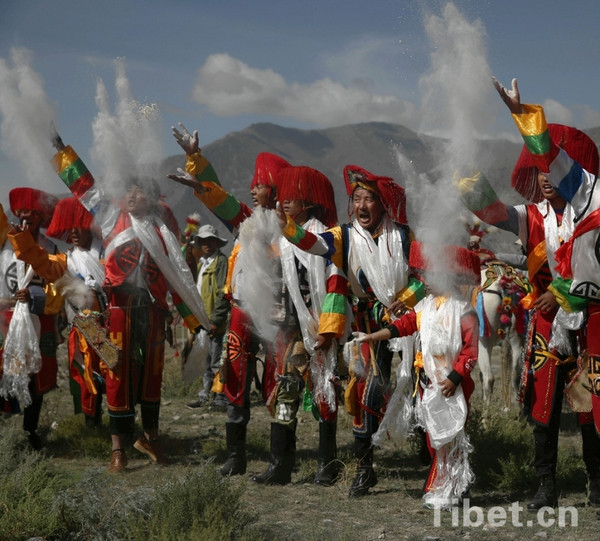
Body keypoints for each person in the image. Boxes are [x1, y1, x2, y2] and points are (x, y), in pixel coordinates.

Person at [457, 76, 600, 510]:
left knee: (591, 405)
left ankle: (597, 482)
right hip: (544, 325)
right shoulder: (532, 216)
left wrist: (519, 113)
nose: (548, 177)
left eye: (555, 168)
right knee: (544, 406)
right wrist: (460, 172)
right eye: (541, 171)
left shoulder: (593, 205)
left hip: (592, 322)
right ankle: (545, 486)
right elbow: (494, 213)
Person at [50, 131, 210, 472]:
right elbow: (85, 187)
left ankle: (150, 438)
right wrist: (63, 150)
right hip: (119, 311)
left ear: (153, 197)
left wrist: (194, 321)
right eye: (131, 190)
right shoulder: (110, 218)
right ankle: (118, 449)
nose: (134, 195)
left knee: (152, 377)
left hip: (152, 311)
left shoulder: (162, 229)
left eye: (141, 191)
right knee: (117, 376)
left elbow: (176, 277)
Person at [278, 164, 425, 497]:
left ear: (382, 204)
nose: (361, 205)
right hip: (366, 328)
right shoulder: (344, 236)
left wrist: (403, 300)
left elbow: (421, 278)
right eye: (356, 198)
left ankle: (428, 452)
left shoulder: (403, 235)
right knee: (363, 393)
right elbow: (313, 243)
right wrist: (287, 228)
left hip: (406, 326)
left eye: (368, 199)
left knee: (417, 389)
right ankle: (364, 469)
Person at [168, 123, 291, 478]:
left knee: (278, 382)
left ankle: (279, 461)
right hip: (240, 313)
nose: (254, 190)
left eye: (261, 184)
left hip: (275, 315)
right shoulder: (246, 222)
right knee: (234, 379)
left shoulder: (289, 230)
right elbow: (219, 197)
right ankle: (235, 458)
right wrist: (195, 159)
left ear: (276, 189)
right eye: (253, 184)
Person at [354, 241, 479, 509]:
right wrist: (373, 336)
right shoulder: (425, 308)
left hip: (451, 385)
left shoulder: (464, 311)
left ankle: (457, 488)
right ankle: (444, 484)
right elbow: (402, 326)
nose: (425, 282)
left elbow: (470, 352)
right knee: (434, 436)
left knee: (453, 435)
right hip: (427, 383)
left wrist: (454, 378)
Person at [252, 164, 347, 486]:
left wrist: (328, 329)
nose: (284, 202)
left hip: (319, 330)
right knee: (286, 395)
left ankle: (327, 464)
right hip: (289, 331)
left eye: (292, 197)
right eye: (283, 196)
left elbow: (336, 284)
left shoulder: (326, 238)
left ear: (307, 202)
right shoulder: (284, 238)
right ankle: (280, 465)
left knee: (324, 395)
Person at [8, 196, 107, 427]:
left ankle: (122, 426)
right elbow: (42, 263)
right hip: (83, 327)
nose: (74, 231)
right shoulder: (67, 259)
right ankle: (93, 424)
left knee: (115, 375)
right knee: (85, 376)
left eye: (79, 226)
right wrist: (22, 240)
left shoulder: (105, 253)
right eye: (70, 227)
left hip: (111, 323)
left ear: (90, 228)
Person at [1, 188, 61, 450]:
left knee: (36, 376)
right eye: (23, 211)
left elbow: (57, 283)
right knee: (4, 372)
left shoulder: (49, 248)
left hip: (39, 317)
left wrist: (36, 295)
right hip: (5, 316)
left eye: (33, 213)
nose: (27, 216)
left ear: (41, 217)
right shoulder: (4, 242)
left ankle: (30, 430)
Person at [185, 224, 230, 410]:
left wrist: (216, 319)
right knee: (205, 360)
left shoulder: (220, 262)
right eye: (203, 241)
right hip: (203, 320)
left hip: (213, 320)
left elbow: (223, 292)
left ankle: (219, 398)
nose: (206, 244)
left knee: (216, 360)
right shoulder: (202, 263)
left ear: (216, 242)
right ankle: (205, 396)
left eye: (210, 240)